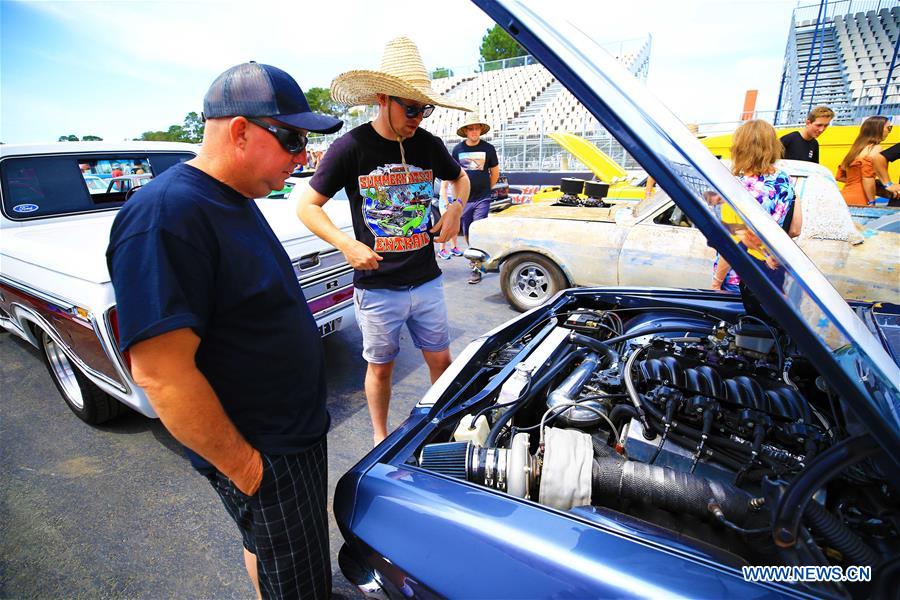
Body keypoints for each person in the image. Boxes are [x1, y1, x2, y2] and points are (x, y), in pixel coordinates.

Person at [106, 62, 343, 599]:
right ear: (239, 130)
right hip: (265, 451)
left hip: (287, 437)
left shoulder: (233, 196)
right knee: (300, 584)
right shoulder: (167, 215)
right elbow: (161, 374)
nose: (301, 157)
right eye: (290, 139)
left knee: (272, 554)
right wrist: (247, 469)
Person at [296, 36, 471, 445]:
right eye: (411, 108)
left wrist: (455, 209)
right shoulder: (350, 147)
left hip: (426, 280)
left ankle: (437, 428)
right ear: (382, 98)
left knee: (441, 361)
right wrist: (346, 244)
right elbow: (307, 206)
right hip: (377, 289)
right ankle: (379, 437)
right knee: (381, 367)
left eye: (424, 109)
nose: (419, 118)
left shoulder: (428, 144)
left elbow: (459, 179)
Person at [712, 120, 800, 292]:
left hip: (738, 277)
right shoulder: (785, 179)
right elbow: (795, 229)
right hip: (769, 272)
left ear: (741, 148)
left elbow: (733, 243)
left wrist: (717, 281)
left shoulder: (740, 189)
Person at [447, 111, 499, 284]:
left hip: (482, 198)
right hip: (464, 200)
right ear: (466, 131)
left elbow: (495, 173)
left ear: (481, 131)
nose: (474, 131)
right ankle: (475, 258)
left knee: (477, 230)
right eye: (471, 129)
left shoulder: (488, 148)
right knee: (468, 232)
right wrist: (457, 200)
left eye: (477, 128)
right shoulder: (458, 149)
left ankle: (476, 268)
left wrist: (486, 189)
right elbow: (454, 176)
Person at [836, 115, 891, 206]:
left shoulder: (855, 150)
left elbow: (839, 177)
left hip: (843, 196)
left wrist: (857, 181)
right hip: (861, 198)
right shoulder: (876, 148)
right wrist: (872, 201)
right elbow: (867, 177)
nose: (889, 131)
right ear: (879, 129)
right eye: (888, 128)